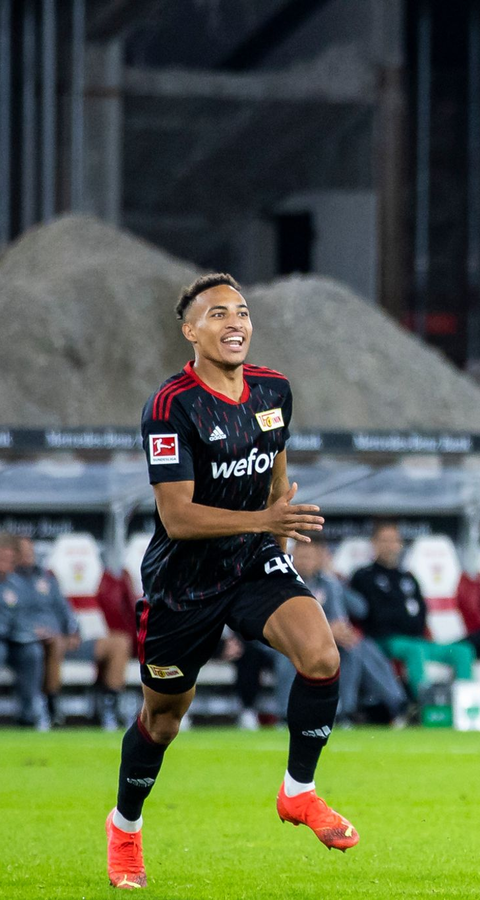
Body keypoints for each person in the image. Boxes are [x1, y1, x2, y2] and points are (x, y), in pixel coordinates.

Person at [106, 273, 357, 891]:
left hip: (250, 561)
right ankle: (126, 826)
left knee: (322, 655)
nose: (234, 322)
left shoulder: (274, 389)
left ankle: (299, 792)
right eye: (217, 314)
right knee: (164, 720)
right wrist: (266, 520)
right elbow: (177, 517)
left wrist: (277, 538)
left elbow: (276, 471)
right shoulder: (170, 406)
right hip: (182, 582)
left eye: (241, 311)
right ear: (190, 332)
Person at [276, 539, 406, 726]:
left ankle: (347, 712)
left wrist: (336, 580)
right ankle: (285, 715)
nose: (306, 562)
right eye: (302, 557)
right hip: (288, 640)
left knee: (355, 647)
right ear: (292, 557)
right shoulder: (284, 581)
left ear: (320, 558)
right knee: (290, 655)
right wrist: (328, 630)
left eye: (310, 557)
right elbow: (284, 621)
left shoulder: (329, 582)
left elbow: (361, 609)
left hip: (327, 641)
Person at [17, 536, 130, 729]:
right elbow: (12, 616)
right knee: (53, 642)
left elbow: (65, 609)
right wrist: (34, 631)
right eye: (23, 552)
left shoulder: (47, 579)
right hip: (39, 642)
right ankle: (51, 708)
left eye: (31, 551)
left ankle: (109, 707)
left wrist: (73, 631)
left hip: (66, 640)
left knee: (120, 642)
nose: (29, 555)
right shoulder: (9, 581)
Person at [350, 522, 474, 695]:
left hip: (415, 639)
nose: (390, 545)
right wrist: (402, 617)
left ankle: (466, 703)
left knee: (463, 651)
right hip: (384, 641)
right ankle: (424, 704)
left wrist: (404, 618)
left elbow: (422, 613)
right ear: (374, 543)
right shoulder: (364, 576)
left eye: (394, 540)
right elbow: (373, 614)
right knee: (415, 650)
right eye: (384, 540)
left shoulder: (408, 578)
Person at [0, 533, 47, 728]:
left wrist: (31, 630)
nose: (6, 563)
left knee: (32, 652)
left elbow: (26, 614)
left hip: (16, 640)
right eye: (2, 558)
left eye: (10, 559)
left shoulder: (18, 584)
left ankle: (28, 715)